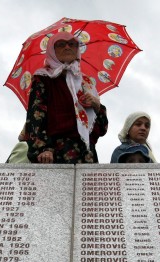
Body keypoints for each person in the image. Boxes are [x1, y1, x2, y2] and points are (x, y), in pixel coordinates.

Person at [25, 32, 108, 164]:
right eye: (61, 44)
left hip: (87, 154)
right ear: (52, 50)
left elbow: (102, 129)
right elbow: (36, 117)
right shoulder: (43, 78)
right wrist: (43, 148)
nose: (67, 47)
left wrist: (97, 106)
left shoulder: (85, 82)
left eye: (72, 44)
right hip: (55, 153)